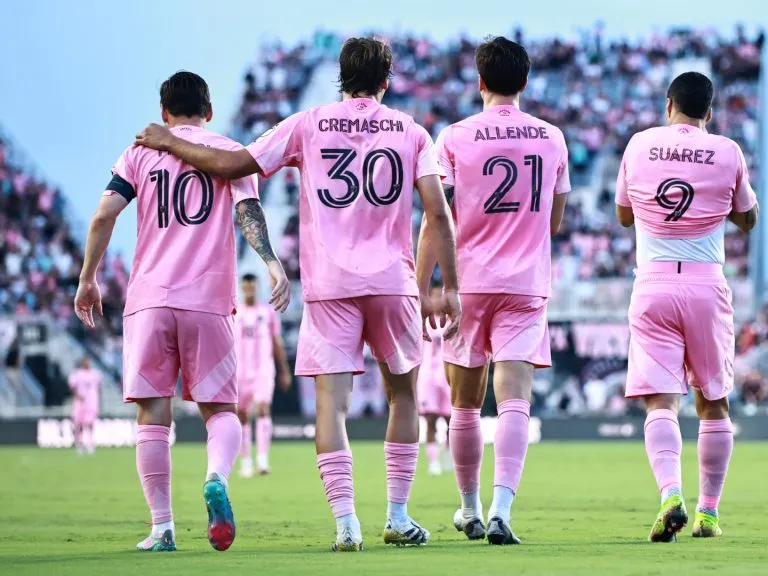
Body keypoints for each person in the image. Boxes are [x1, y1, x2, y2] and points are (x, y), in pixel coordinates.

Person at [134, 38, 461, 552]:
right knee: (403, 395)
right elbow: (439, 214)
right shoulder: (413, 131)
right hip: (393, 282)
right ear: (386, 79)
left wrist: (171, 141)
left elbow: (234, 164)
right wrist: (450, 286)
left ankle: (346, 524)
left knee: (332, 404)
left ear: (340, 75)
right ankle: (398, 515)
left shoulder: (307, 123)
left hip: (330, 285)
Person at [75, 71, 290, 553]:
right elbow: (248, 214)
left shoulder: (139, 151)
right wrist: (272, 263)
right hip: (208, 301)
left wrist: (88, 278)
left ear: (165, 111)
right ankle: (216, 477)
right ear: (208, 111)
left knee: (153, 414)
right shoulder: (228, 153)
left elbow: (104, 215)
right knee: (221, 411)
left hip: (149, 300)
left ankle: (162, 528)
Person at [418, 36, 570, 545]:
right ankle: (503, 508)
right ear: (525, 82)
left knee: (463, 406)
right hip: (525, 284)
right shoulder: (552, 138)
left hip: (470, 283)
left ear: (479, 81)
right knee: (514, 403)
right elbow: (555, 220)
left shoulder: (455, 136)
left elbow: (436, 218)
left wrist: (431, 284)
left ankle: (469, 508)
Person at [615, 71, 758, 541]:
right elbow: (748, 218)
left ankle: (669, 494)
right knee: (713, 402)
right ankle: (709, 513)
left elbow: (623, 215)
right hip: (704, 284)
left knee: (661, 401)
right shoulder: (727, 151)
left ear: (668, 104)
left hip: (653, 281)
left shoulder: (638, 145)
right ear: (709, 113)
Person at [235, 273, 292, 477]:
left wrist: (284, 370)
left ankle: (262, 460)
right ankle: (246, 462)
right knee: (241, 415)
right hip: (240, 371)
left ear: (257, 287)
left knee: (262, 409)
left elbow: (277, 342)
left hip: (263, 370)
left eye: (252, 286)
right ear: (242, 288)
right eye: (246, 286)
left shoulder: (267, 312)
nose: (249, 289)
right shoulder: (235, 312)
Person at [418, 284, 452, 476]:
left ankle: (448, 456)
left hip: (446, 375)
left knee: (451, 420)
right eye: (434, 296)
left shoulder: (451, 322)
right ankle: (433, 462)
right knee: (430, 420)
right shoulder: (422, 322)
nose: (438, 299)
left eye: (441, 295)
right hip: (427, 377)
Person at [68, 357, 102, 456]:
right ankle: (79, 446)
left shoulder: (95, 374)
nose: (88, 363)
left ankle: (91, 445)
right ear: (82, 363)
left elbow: (98, 388)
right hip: (80, 404)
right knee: (79, 425)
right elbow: (73, 387)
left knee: (90, 424)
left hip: (91, 403)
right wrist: (78, 395)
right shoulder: (77, 374)